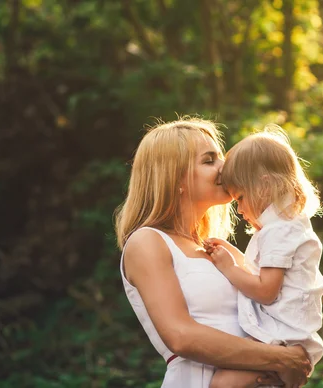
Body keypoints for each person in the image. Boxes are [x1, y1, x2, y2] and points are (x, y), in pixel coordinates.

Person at [115, 118, 312, 388]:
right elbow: (180, 335)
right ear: (175, 178)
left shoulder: (217, 250)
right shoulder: (148, 242)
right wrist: (280, 358)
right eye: (209, 161)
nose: (225, 167)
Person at [204, 126, 323, 388]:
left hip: (281, 338)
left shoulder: (279, 232)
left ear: (265, 185)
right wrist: (232, 253)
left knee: (222, 383)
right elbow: (260, 269)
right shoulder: (287, 225)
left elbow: (266, 290)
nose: (240, 208)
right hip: (287, 338)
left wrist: (228, 267)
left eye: (241, 197)